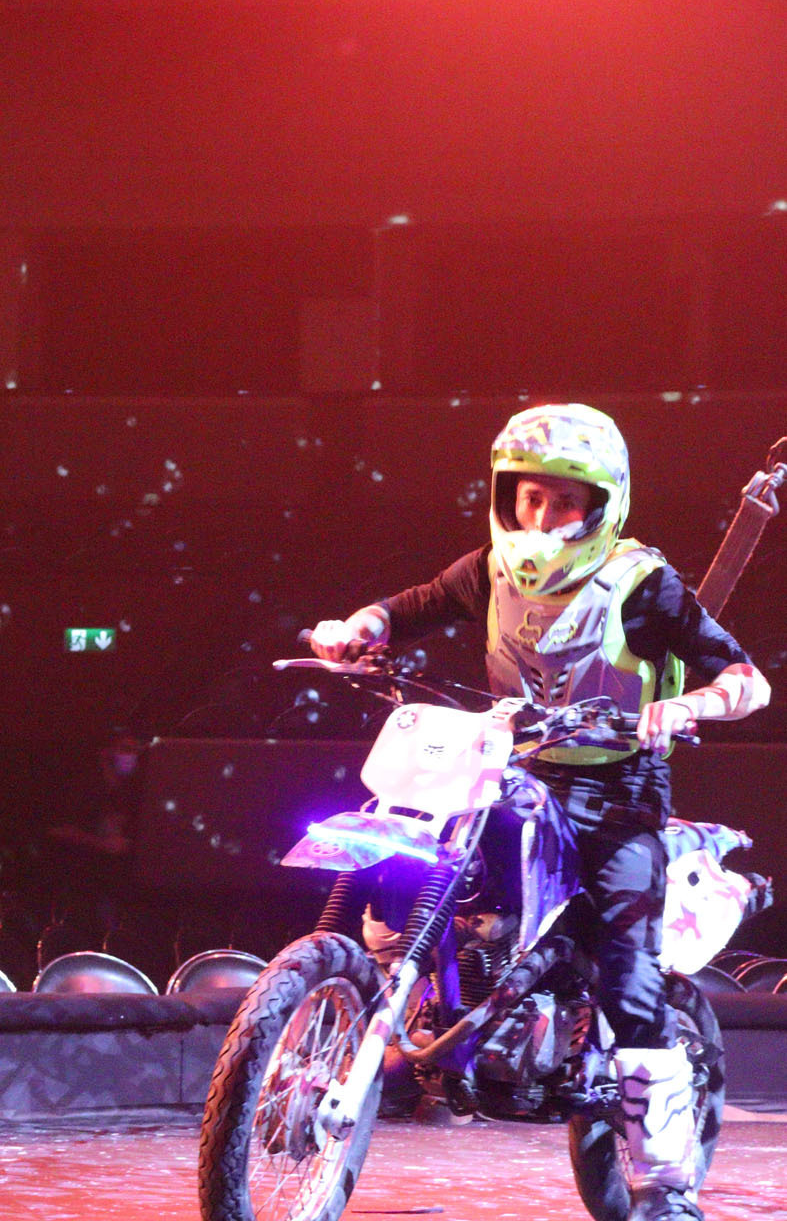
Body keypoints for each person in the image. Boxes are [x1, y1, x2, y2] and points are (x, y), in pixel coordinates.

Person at [309, 403, 770, 1221]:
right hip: (514, 775)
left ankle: (664, 1186)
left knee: (628, 975)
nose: (542, 517)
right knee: (416, 863)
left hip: (617, 796)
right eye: (529, 498)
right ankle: (393, 1014)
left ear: (599, 506)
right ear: (505, 496)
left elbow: (745, 678)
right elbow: (408, 607)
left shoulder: (643, 584)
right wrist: (356, 629)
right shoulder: (489, 569)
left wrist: (689, 704)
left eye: (563, 502)